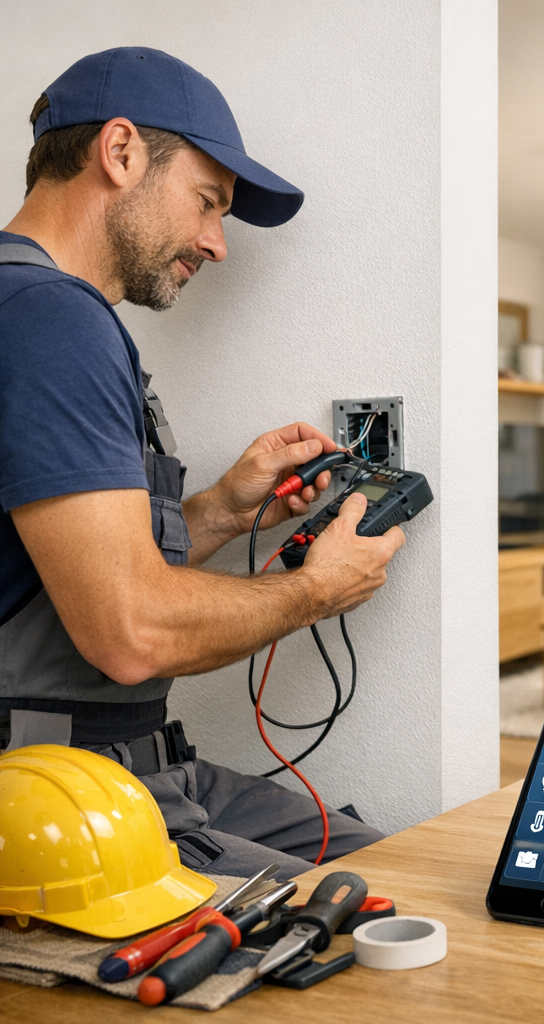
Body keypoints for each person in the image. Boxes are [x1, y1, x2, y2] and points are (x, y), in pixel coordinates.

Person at [0, 47, 405, 879]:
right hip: (61, 800)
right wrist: (318, 589)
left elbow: (58, 575)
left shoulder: (38, 313)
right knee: (368, 914)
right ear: (120, 153)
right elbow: (131, 632)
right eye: (207, 202)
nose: (216, 244)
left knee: (402, 863)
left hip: (138, 770)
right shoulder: (48, 320)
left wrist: (224, 507)